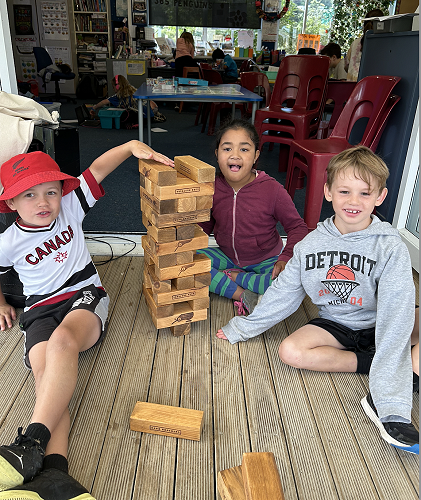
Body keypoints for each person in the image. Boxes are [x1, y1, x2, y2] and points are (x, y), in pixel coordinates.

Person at [216, 145, 419, 454]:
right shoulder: (310, 245)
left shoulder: (390, 247)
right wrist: (243, 327)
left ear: (380, 197)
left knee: (408, 328)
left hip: (382, 321)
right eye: (344, 191)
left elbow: (396, 311)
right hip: (337, 325)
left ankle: (388, 388)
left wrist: (391, 398)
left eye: (365, 194)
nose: (353, 202)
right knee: (290, 351)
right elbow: (284, 293)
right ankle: (377, 364)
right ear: (328, 192)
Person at [0, 142, 173, 497]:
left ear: (61, 192)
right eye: (29, 195)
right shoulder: (7, 241)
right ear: (11, 202)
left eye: (51, 191)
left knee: (62, 344)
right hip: (38, 309)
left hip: (84, 295)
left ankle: (29, 443)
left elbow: (97, 169)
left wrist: (129, 146)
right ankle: (55, 472)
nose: (44, 202)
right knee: (45, 375)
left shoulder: (70, 207)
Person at [197, 119, 308, 316]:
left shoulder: (272, 189)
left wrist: (286, 257)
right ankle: (242, 294)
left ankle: (234, 278)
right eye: (227, 149)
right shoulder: (212, 187)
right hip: (227, 257)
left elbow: (297, 227)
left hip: (266, 260)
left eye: (244, 149)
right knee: (185, 262)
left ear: (256, 155)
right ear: (217, 154)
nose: (235, 155)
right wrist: (185, 242)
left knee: (292, 281)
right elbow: (205, 224)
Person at [90, 74, 166, 126]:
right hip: (150, 117)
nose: (113, 89)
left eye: (113, 87)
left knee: (122, 116)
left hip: (141, 118)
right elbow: (151, 103)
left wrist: (94, 108)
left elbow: (104, 102)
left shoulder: (119, 96)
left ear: (117, 87)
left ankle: (133, 124)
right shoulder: (133, 90)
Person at [344, 8, 384, 82]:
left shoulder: (355, 43)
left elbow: (346, 65)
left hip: (352, 85)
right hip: (369, 85)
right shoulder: (383, 44)